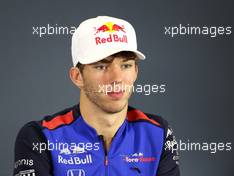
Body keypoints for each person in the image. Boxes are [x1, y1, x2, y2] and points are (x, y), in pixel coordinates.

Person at [13, 16, 180, 176]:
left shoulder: (157, 132)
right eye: (101, 66)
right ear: (77, 77)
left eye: (126, 65)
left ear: (136, 71)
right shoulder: (39, 137)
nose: (117, 78)